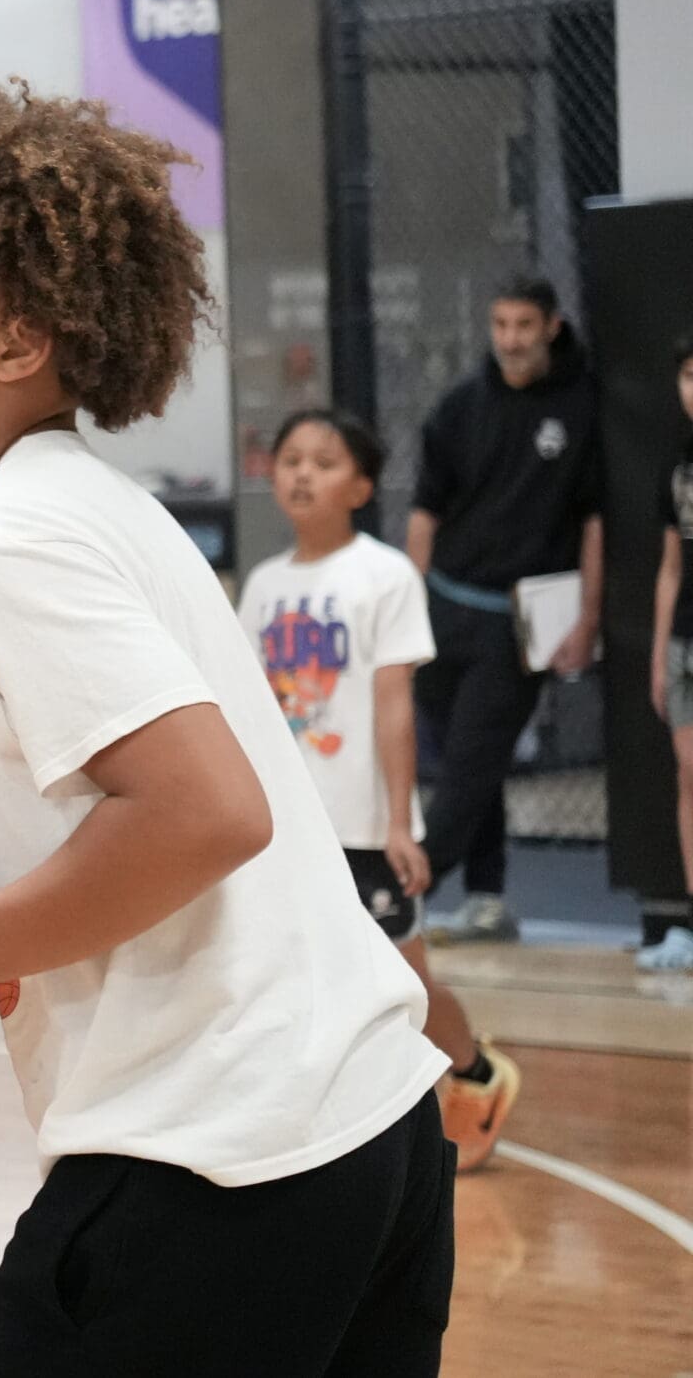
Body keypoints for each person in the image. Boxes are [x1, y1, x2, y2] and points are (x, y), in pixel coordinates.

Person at [0, 77, 451, 1376]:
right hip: (372, 1126)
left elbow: (205, 812)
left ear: (21, 341)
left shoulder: (0, 533)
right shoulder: (99, 505)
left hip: (219, 1154)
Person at [240, 408, 521, 1169]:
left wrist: (400, 823)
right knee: (291, 978)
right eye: (291, 459)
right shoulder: (263, 585)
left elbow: (395, 704)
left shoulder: (385, 575)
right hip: (290, 827)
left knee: (405, 983)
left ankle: (475, 1071)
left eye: (324, 461)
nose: (302, 473)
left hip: (364, 827)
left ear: (362, 487)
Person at [408, 276, 604, 944]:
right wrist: (411, 603)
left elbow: (595, 523)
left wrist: (588, 619)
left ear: (551, 326)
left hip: (518, 623)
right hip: (444, 606)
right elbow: (425, 511)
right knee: (472, 760)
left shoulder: (583, 405)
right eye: (500, 325)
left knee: (470, 763)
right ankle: (487, 899)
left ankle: (401, 890)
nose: (511, 339)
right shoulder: (461, 405)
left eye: (523, 325)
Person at [641, 331, 693, 973]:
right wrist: (658, 653)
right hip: (683, 643)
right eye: (688, 375)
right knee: (688, 775)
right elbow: (670, 567)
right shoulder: (676, 465)